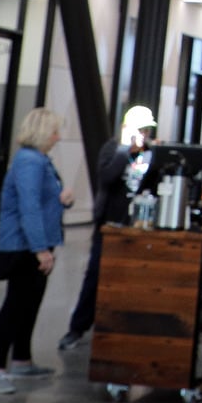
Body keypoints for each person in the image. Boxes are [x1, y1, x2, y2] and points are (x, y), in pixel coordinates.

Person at [0, 107, 73, 394]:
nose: (58, 138)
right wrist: (40, 250)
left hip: (36, 243)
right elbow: (28, 207)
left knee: (30, 304)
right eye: (55, 132)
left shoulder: (41, 160)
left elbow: (43, 202)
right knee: (15, 305)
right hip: (23, 246)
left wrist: (63, 201)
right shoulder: (29, 162)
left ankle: (21, 359)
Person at [59, 105, 155, 350]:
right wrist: (126, 150)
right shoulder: (113, 149)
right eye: (139, 130)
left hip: (138, 226)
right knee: (95, 275)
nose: (143, 135)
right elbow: (107, 176)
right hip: (109, 224)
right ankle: (77, 327)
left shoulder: (151, 154)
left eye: (146, 130)